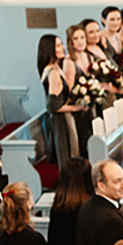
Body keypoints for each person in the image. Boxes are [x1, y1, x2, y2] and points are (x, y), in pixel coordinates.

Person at [38, 33, 80, 169]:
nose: (63, 48)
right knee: (68, 152)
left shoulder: (55, 68)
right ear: (50, 50)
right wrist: (76, 108)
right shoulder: (53, 72)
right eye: (58, 45)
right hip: (60, 119)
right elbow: (53, 106)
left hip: (61, 118)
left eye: (62, 44)